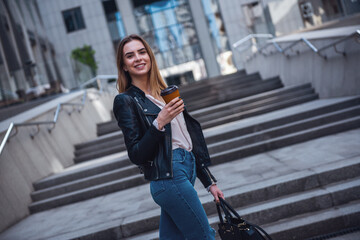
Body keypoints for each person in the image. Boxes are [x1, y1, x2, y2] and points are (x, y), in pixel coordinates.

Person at [113, 34, 224, 240]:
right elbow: (136, 154)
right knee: (204, 236)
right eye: (130, 56)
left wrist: (209, 182)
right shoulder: (126, 101)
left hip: (185, 170)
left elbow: (186, 140)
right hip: (169, 177)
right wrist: (159, 123)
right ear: (124, 66)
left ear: (150, 56)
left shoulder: (165, 94)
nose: (138, 58)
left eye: (142, 52)